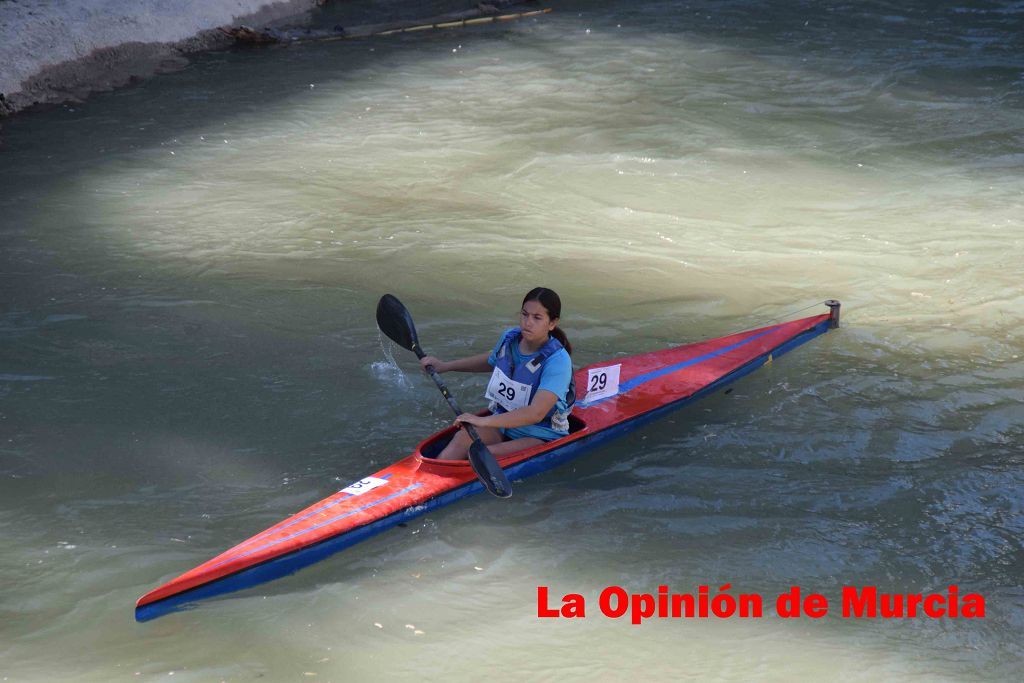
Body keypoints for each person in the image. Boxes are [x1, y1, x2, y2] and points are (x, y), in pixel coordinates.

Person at [419, 287, 575, 460]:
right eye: (524, 314)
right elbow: (493, 361)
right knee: (462, 439)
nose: (527, 322)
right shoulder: (509, 339)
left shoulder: (558, 361)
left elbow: (536, 413)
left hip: (539, 434)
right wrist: (445, 366)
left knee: (485, 455)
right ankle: (429, 482)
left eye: (537, 318)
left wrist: (482, 421)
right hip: (502, 422)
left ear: (552, 323)